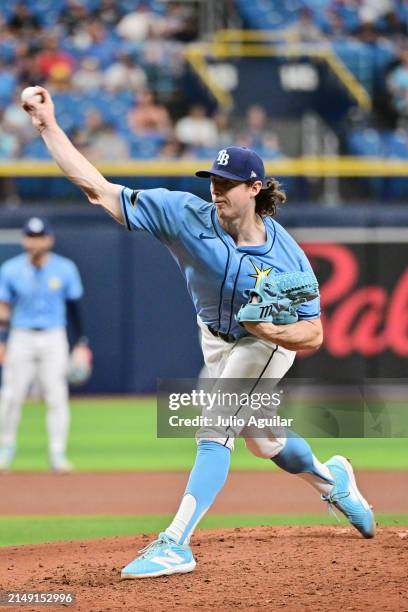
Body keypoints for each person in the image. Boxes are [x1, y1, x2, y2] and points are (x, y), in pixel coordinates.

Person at [22, 87, 375, 578]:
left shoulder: (289, 260)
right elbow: (99, 189)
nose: (216, 190)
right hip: (214, 336)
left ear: (254, 189)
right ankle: (332, 478)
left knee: (214, 424)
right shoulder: (184, 215)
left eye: (228, 183)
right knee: (264, 441)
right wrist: (47, 126)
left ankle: (176, 542)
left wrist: (269, 327)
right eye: (213, 179)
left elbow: (313, 335)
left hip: (265, 343)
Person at [0, 216, 90, 473]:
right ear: (24, 239)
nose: (35, 242)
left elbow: (75, 308)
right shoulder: (10, 269)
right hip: (21, 335)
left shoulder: (65, 268)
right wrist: (2, 341)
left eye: (39, 237)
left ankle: (57, 454)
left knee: (56, 396)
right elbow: (3, 309)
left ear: (49, 239)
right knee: (10, 396)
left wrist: (81, 342)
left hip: (53, 335)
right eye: (31, 237)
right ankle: (5, 451)